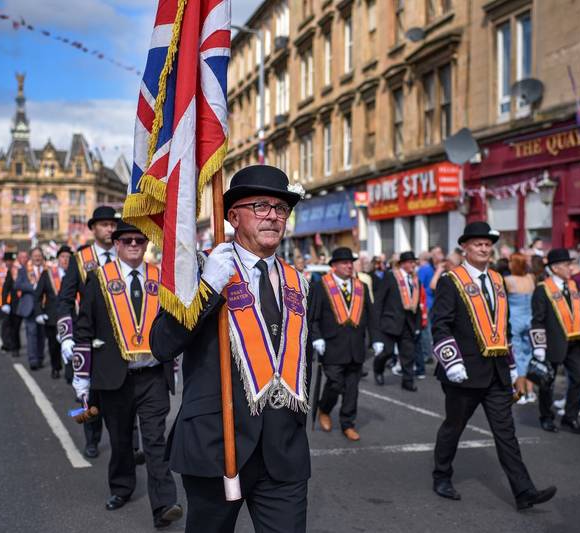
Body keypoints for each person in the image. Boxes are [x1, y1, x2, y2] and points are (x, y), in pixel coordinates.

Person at [150, 165, 310, 532]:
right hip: (216, 445)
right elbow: (162, 344)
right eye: (260, 206)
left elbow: (303, 363)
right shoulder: (202, 269)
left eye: (281, 208)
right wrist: (206, 289)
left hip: (284, 452)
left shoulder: (298, 281)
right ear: (233, 216)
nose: (273, 215)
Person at [430, 221, 557, 510]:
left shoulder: (498, 280)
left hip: (497, 371)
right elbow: (440, 326)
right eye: (478, 244)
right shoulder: (452, 280)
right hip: (463, 372)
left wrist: (512, 365)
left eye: (488, 244)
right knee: (454, 426)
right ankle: (441, 475)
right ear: (465, 248)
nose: (484, 248)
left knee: (506, 432)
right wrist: (451, 361)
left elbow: (503, 327)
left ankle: (524, 491)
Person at [73, 221, 182, 528]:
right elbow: (85, 327)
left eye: (139, 240)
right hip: (114, 377)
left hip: (151, 376)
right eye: (127, 240)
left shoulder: (159, 278)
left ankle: (164, 504)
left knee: (154, 441)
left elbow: (173, 322)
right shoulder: (98, 279)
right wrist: (81, 374)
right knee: (121, 441)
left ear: (146, 244)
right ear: (117, 245)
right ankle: (121, 488)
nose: (134, 245)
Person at [57, 205, 118, 459]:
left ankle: (131, 442)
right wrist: (67, 335)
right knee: (90, 392)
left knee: (127, 391)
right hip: (89, 334)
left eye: (113, 224)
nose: (110, 229)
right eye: (104, 225)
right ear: (93, 228)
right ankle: (91, 438)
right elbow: (65, 299)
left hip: (121, 334)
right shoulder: (81, 258)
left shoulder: (125, 252)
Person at [309, 247, 376, 441]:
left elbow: (370, 315)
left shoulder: (360, 287)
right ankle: (324, 408)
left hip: (355, 347)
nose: (349, 265)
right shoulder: (320, 286)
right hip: (331, 346)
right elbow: (313, 317)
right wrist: (317, 337)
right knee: (336, 383)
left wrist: (377, 339)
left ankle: (348, 423)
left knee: (352, 388)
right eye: (345, 262)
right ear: (334, 266)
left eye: (351, 262)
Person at [530, 248, 580, 434]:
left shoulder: (572, 286)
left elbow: (577, 311)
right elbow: (537, 319)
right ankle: (546, 417)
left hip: (575, 342)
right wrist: (539, 346)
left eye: (570, 264)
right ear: (554, 268)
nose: (570, 268)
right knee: (547, 381)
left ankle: (569, 418)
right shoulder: (543, 289)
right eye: (566, 265)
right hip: (552, 343)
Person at [372, 250, 422, 391]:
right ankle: (378, 370)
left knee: (408, 354)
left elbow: (417, 305)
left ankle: (408, 381)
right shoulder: (390, 276)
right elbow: (379, 300)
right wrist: (377, 322)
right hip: (391, 322)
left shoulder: (415, 279)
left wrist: (417, 324)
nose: (414, 265)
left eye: (415, 262)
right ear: (404, 264)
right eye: (411, 262)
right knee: (386, 352)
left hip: (408, 323)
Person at [34, 245, 71, 379]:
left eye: (68, 257)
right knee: (54, 346)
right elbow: (38, 295)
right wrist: (38, 313)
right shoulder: (48, 274)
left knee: (70, 346)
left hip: (71, 317)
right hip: (52, 317)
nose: (65, 260)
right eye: (62, 257)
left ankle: (70, 373)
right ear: (58, 259)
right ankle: (56, 367)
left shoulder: (75, 274)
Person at [505, 253, 536, 403]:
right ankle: (530, 391)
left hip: (514, 321)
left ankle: (520, 391)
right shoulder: (531, 278)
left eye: (510, 261)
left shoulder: (508, 280)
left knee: (516, 356)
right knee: (529, 354)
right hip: (529, 319)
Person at [15, 247, 47, 371]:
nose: (37, 258)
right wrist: (32, 287)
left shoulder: (46, 270)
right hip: (29, 307)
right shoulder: (23, 270)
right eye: (35, 256)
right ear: (31, 257)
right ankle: (33, 359)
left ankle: (40, 357)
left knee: (42, 335)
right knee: (31, 333)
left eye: (39, 256)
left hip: (43, 307)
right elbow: (17, 284)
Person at [1, 251, 24, 357]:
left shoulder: (30, 269)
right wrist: (5, 303)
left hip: (29, 302)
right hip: (16, 304)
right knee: (14, 327)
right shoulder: (12, 271)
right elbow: (6, 287)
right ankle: (15, 347)